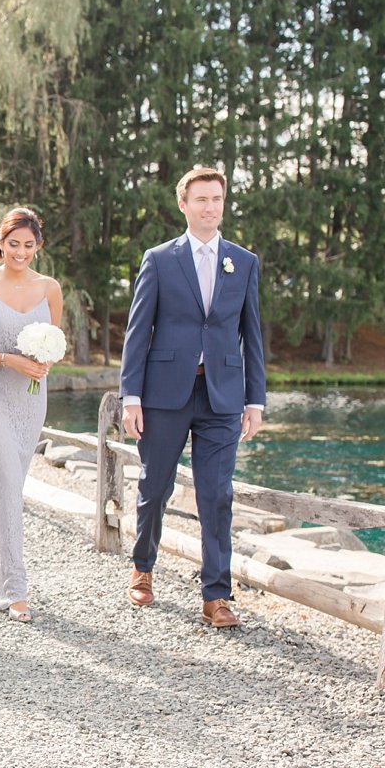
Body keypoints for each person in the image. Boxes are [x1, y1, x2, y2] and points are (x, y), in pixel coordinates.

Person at [119, 166, 265, 628]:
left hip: (223, 395)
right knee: (155, 486)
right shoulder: (160, 259)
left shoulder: (244, 262)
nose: (209, 207)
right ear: (183, 204)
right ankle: (143, 568)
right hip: (165, 393)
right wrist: (131, 396)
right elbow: (138, 331)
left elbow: (252, 335)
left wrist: (255, 400)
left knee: (217, 494)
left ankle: (216, 596)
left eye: (217, 199)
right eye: (200, 199)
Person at [0, 208, 63, 623]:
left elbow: (53, 345)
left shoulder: (50, 288)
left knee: (4, 483)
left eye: (28, 245)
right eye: (13, 244)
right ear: (0, 243)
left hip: (31, 399)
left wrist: (42, 362)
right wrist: (10, 360)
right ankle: (15, 589)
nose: (20, 252)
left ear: (37, 246)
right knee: (8, 486)